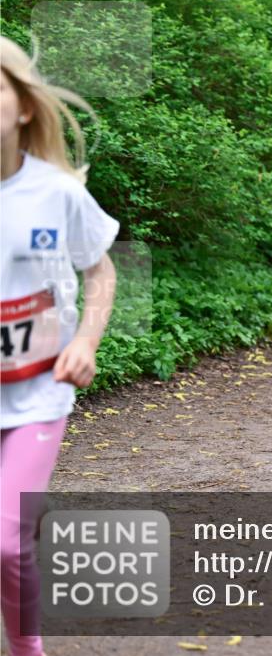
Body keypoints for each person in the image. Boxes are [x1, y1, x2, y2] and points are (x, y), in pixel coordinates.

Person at [1, 36, 119, 656]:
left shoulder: (58, 191)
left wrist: (85, 340)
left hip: (38, 393)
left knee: (7, 541)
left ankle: (27, 649)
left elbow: (100, 271)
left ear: (23, 107)